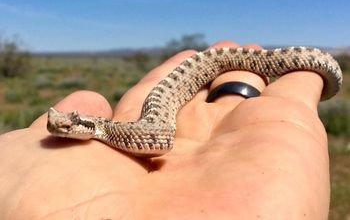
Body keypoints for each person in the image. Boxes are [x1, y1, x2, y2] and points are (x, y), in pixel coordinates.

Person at [0, 40, 329, 219]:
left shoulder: (106, 129)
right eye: (58, 127)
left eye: (68, 125)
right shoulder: (108, 133)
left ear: (87, 125)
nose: (60, 129)